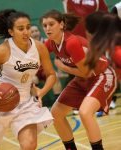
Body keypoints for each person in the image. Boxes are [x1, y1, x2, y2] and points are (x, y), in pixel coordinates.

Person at [0, 9, 56, 150]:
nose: (26, 32)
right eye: (20, 29)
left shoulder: (39, 47)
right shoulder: (2, 50)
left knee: (29, 145)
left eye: (27, 27)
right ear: (11, 32)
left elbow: (51, 74)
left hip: (24, 104)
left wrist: (43, 91)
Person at [39, 9, 118, 150]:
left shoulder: (71, 42)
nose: (47, 28)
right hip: (83, 78)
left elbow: (87, 72)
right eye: (45, 25)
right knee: (55, 115)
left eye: (51, 24)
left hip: (102, 75)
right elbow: (35, 59)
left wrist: (62, 66)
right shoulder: (51, 43)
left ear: (62, 24)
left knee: (85, 113)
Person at [31, 25, 69, 100]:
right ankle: (36, 104)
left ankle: (58, 101)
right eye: (32, 32)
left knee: (55, 76)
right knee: (32, 81)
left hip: (45, 68)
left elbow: (59, 55)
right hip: (33, 70)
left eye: (36, 31)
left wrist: (60, 71)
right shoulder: (26, 45)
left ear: (39, 32)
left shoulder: (46, 41)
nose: (35, 33)